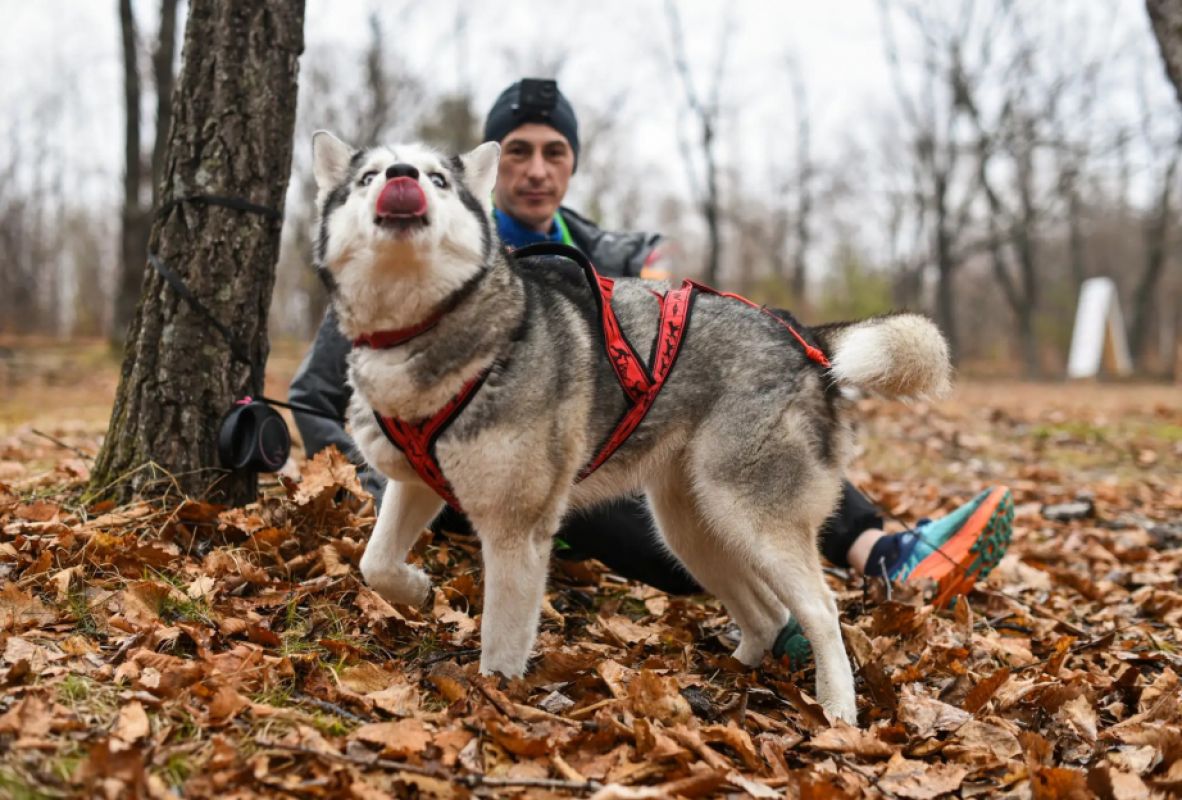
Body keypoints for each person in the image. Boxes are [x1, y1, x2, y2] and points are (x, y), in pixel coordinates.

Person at [288, 79, 1014, 665]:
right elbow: (316, 398)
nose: (536, 169)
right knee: (672, 525)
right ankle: (788, 610)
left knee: (751, 424)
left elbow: (710, 356)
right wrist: (387, 479)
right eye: (516, 151)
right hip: (520, 489)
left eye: (554, 152)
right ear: (486, 168)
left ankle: (874, 554)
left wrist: (779, 352)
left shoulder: (610, 250)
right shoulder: (396, 263)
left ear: (571, 164)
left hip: (624, 445)